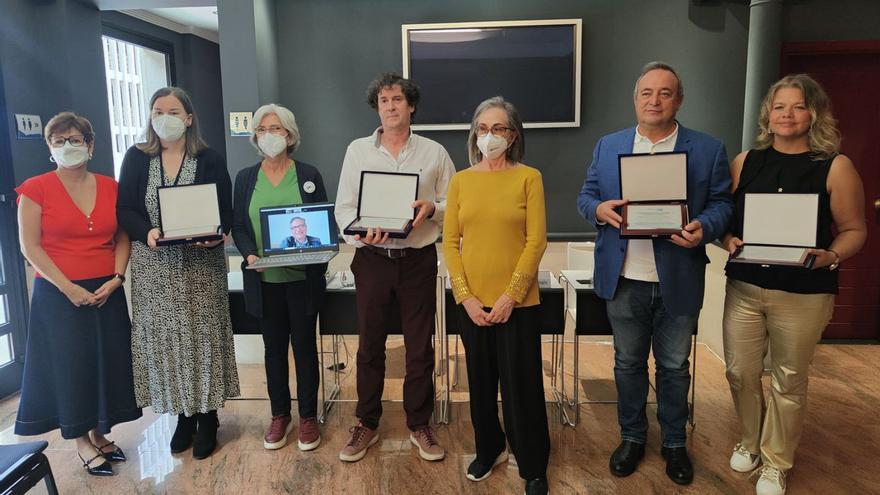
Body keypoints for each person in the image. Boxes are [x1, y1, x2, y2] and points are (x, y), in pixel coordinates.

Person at [576, 61, 733, 485]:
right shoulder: (609, 146)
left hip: (678, 276)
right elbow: (587, 195)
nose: (654, 100)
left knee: (674, 365)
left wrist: (706, 228)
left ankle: (674, 443)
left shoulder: (707, 148)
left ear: (678, 100)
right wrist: (598, 209)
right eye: (647, 92)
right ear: (635, 99)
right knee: (627, 364)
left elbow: (722, 203)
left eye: (665, 93)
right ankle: (631, 437)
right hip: (625, 275)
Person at [720, 74, 866, 495]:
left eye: (798, 106)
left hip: (804, 293)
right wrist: (727, 238)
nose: (787, 114)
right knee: (740, 372)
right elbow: (725, 223)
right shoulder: (745, 161)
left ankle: (776, 462)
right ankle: (750, 441)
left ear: (814, 113)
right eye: (779, 106)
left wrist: (832, 255)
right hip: (745, 288)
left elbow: (854, 229)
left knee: (789, 378)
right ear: (769, 113)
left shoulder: (835, 166)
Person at [335, 72, 455, 463]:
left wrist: (433, 208)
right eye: (384, 100)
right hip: (371, 261)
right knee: (369, 345)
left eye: (397, 100)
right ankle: (366, 423)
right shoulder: (357, 151)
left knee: (420, 347)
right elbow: (344, 210)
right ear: (377, 106)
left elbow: (455, 203)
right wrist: (360, 234)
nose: (390, 106)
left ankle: (420, 423)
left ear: (411, 105)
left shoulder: (434, 153)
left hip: (417, 261)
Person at [15, 112, 141, 476]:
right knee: (72, 367)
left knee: (105, 361)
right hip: (58, 294)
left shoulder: (110, 186)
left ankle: (98, 432)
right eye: (59, 141)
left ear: (90, 145)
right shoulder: (35, 189)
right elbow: (30, 247)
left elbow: (121, 236)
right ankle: (80, 441)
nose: (68, 146)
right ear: (49, 148)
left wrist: (118, 277)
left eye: (75, 139)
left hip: (106, 288)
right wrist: (67, 287)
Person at [117, 87, 240, 460]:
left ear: (188, 118)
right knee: (167, 342)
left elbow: (226, 211)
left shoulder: (210, 158)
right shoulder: (136, 158)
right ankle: (182, 417)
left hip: (201, 267)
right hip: (155, 269)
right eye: (157, 110)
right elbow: (125, 209)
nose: (164, 117)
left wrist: (217, 235)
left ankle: (208, 417)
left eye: (173, 111)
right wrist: (146, 232)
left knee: (202, 340)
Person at [443, 97, 550, 495]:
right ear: (474, 134)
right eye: (483, 128)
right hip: (471, 305)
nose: (490, 136)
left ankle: (533, 463)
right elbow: (450, 243)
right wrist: (466, 297)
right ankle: (490, 448)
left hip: (518, 305)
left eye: (499, 128)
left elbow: (536, 241)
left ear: (513, 135)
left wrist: (510, 296)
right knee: (481, 384)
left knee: (522, 386)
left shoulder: (529, 178)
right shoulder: (461, 181)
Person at [232, 103, 328, 451]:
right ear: (255, 136)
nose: (269, 136)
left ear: (290, 135)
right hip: (264, 281)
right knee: (273, 350)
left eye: (276, 129)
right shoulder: (245, 178)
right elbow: (239, 226)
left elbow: (323, 223)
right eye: (262, 129)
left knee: (304, 349)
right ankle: (279, 415)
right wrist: (250, 254)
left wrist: (319, 251)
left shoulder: (309, 174)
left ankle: (307, 418)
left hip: (302, 280)